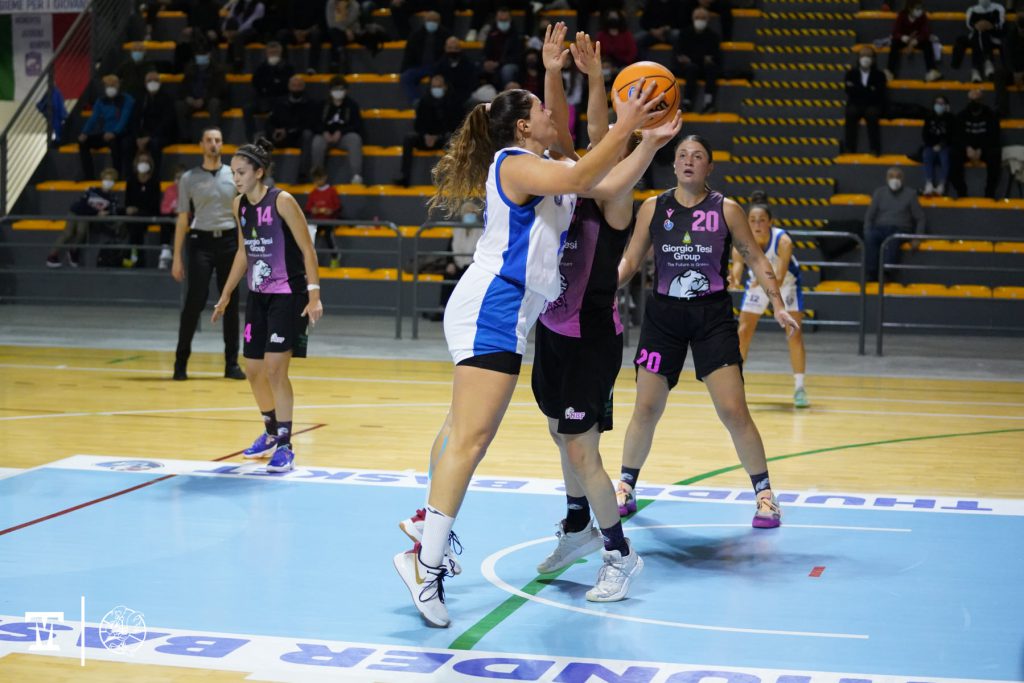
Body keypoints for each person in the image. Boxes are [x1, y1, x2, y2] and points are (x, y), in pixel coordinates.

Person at [392, 23, 664, 629]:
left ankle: (427, 527)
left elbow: (592, 169)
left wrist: (636, 135)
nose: (550, 113)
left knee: (459, 432)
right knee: (471, 440)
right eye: (541, 108)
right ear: (522, 127)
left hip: (506, 309)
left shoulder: (543, 162)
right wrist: (626, 123)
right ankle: (425, 563)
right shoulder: (515, 164)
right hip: (494, 303)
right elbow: (582, 175)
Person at [530, 31, 682, 601]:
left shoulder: (615, 195)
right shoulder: (567, 174)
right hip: (551, 328)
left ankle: (619, 554)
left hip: (591, 335)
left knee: (581, 448)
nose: (599, 143)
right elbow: (568, 136)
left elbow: (606, 144)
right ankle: (577, 527)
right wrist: (566, 74)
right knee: (558, 431)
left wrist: (649, 140)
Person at [613, 134, 800, 529]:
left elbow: (756, 259)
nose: (688, 161)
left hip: (711, 316)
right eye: (682, 155)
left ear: (709, 166)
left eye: (697, 156)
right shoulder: (653, 207)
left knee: (733, 410)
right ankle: (626, 485)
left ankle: (765, 496)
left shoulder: (727, 210)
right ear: (673, 164)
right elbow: (630, 260)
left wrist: (779, 305)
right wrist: (602, 289)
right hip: (663, 316)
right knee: (646, 407)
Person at [210, 137, 324, 473]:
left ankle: (286, 445)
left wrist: (314, 294)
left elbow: (308, 249)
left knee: (275, 369)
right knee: (253, 369)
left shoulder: (282, 201)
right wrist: (226, 293)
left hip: (288, 294)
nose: (236, 178)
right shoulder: (239, 205)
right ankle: (271, 431)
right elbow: (243, 252)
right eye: (233, 173)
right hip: (258, 295)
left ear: (259, 172)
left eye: (241, 172)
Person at [171, 127, 246, 381]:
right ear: (201, 145)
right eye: (209, 140)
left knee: (231, 301)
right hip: (200, 242)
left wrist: (244, 249)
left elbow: (242, 215)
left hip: (229, 241)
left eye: (218, 140)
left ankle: (231, 364)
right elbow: (183, 218)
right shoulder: (188, 178)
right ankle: (180, 363)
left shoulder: (234, 176)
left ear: (222, 144)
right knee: (195, 301)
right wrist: (177, 257)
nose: (213, 144)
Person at [731, 204, 809, 409]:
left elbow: (780, 277)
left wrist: (760, 281)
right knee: (743, 332)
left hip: (786, 284)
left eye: (762, 220)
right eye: (753, 220)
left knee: (793, 332)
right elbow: (737, 266)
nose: (757, 224)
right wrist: (734, 279)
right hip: (757, 283)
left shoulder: (783, 241)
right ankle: (735, 386)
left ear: (771, 222)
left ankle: (800, 388)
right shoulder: (741, 241)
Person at [394, 74, 461, 187]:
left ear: (445, 87)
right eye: (434, 86)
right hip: (425, 138)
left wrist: (437, 136)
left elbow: (455, 126)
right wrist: (425, 135)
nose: (436, 89)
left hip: (443, 139)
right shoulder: (424, 102)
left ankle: (452, 179)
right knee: (408, 139)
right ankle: (405, 177)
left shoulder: (452, 103)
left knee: (453, 140)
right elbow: (418, 125)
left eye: (439, 86)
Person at [46, 168, 119, 268]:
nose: (108, 182)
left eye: (111, 180)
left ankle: (73, 251)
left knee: (81, 232)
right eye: (106, 179)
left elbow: (111, 211)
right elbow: (84, 204)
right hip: (76, 211)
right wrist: (96, 212)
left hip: (86, 216)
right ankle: (52, 256)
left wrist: (105, 213)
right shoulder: (93, 190)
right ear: (102, 179)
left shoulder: (112, 198)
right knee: (68, 233)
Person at [863, 166, 926, 281]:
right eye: (891, 176)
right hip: (880, 228)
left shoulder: (911, 194)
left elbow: (920, 218)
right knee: (871, 237)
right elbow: (869, 216)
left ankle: (887, 273)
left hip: (901, 229)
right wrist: (867, 230)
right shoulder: (879, 193)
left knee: (893, 239)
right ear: (886, 178)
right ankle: (871, 273)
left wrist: (918, 238)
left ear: (903, 179)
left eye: (898, 176)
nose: (895, 179)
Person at [78, 74, 135, 180]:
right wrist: (84, 132)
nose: (110, 88)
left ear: (118, 85)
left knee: (115, 143)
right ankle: (89, 176)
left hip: (121, 133)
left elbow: (124, 119)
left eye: (113, 85)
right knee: (83, 142)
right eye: (108, 86)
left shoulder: (127, 100)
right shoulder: (101, 101)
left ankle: (116, 175)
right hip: (106, 133)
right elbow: (93, 118)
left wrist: (114, 132)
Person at [311, 76, 364, 185]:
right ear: (330, 90)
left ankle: (356, 175)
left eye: (341, 89)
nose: (338, 92)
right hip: (325, 136)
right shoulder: (322, 105)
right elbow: (314, 123)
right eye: (335, 89)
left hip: (343, 137)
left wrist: (341, 132)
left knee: (355, 139)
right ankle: (318, 176)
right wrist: (324, 132)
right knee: (317, 142)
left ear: (346, 90)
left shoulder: (352, 105)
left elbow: (357, 125)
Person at [267, 75, 321, 182]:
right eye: (293, 85)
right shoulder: (279, 102)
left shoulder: (310, 104)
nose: (296, 88)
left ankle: (303, 174)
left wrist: (287, 131)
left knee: (308, 134)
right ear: (289, 86)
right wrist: (274, 131)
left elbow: (310, 124)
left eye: (299, 86)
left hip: (298, 137)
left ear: (303, 87)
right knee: (261, 137)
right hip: (281, 137)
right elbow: (270, 121)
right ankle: (264, 174)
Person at [949, 88, 1001, 198]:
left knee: (995, 154)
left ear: (982, 101)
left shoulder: (991, 115)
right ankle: (961, 191)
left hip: (985, 148)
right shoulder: (961, 116)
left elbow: (994, 136)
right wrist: (967, 148)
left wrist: (981, 149)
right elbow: (957, 137)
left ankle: (990, 193)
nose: (973, 103)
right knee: (954, 154)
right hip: (967, 149)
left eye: (976, 100)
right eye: (971, 100)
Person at [674, 7, 721, 114]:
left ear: (708, 19)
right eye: (697, 17)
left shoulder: (713, 36)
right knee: (692, 68)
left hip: (705, 68)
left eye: (703, 18)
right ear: (692, 18)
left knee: (711, 69)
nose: (700, 20)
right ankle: (686, 102)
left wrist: (693, 58)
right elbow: (680, 55)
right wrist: (700, 58)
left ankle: (708, 103)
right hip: (688, 68)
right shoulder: (684, 33)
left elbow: (714, 57)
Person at [176, 42, 226, 142]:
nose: (200, 57)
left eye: (203, 54)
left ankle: (214, 137)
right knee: (179, 105)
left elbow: (219, 89)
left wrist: (204, 99)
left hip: (208, 100)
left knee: (214, 103)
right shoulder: (190, 68)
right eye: (198, 54)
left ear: (209, 54)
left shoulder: (217, 69)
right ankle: (185, 138)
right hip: (193, 100)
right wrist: (188, 98)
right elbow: (183, 87)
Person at [129, 71, 176, 177]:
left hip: (161, 135)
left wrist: (150, 137)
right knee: (127, 143)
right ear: (145, 83)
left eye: (155, 80)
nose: (152, 83)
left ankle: (155, 176)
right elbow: (134, 119)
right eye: (149, 80)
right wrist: (138, 137)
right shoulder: (141, 98)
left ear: (160, 83)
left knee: (154, 144)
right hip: (142, 135)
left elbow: (167, 122)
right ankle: (130, 176)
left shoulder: (167, 99)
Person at [245, 42, 294, 142]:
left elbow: (286, 85)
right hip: (264, 99)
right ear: (266, 53)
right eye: (271, 52)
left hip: (281, 98)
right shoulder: (261, 67)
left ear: (280, 53)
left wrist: (269, 84)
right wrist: (273, 83)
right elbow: (256, 83)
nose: (273, 54)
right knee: (247, 108)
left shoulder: (288, 67)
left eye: (275, 52)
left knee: (279, 107)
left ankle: (274, 136)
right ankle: (252, 136)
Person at [399, 11, 452, 104]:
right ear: (425, 21)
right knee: (406, 76)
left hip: (438, 67)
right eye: (429, 20)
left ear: (439, 22)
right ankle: (417, 102)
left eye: (434, 20)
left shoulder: (446, 35)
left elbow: (448, 54)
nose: (431, 23)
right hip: (419, 67)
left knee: (440, 81)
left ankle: (439, 104)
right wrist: (404, 69)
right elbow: (409, 54)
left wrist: (440, 67)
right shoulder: (416, 35)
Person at [843, 46, 886, 156]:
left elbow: (878, 93)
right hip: (855, 104)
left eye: (868, 56)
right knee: (850, 113)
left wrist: (859, 89)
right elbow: (849, 91)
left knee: (872, 114)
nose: (865, 58)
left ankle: (875, 149)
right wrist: (869, 90)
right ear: (858, 58)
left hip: (872, 105)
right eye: (863, 55)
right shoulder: (850, 74)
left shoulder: (880, 75)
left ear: (873, 59)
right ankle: (849, 148)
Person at [885, 0, 941, 82]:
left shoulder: (923, 17)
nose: (920, 11)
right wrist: (902, 37)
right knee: (894, 43)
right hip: (904, 40)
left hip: (917, 40)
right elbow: (895, 32)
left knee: (927, 44)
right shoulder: (902, 15)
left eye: (921, 9)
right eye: (917, 9)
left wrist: (917, 40)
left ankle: (932, 70)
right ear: (910, 9)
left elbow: (926, 33)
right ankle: (890, 71)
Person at [123, 151, 162, 268]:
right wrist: (130, 209)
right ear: (136, 163)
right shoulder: (131, 181)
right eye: (141, 161)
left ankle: (133, 253)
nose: (143, 163)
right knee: (134, 222)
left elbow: (154, 204)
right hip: (134, 215)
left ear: (150, 164)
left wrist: (138, 209)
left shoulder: (154, 181)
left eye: (146, 161)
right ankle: (138, 256)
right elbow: (127, 202)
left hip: (149, 213)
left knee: (136, 222)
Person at [952, 0, 1005, 82]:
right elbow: (969, 24)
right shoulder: (972, 9)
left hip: (993, 37)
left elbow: (1000, 23)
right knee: (978, 34)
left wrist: (990, 25)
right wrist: (978, 25)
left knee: (981, 34)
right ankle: (987, 62)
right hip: (976, 36)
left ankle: (976, 69)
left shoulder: (998, 8)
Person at [305, 166, 342, 268]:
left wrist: (331, 211)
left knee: (328, 235)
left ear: (325, 177)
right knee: (310, 236)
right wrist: (313, 210)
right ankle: (310, 260)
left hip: (329, 221)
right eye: (316, 180)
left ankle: (335, 257)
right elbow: (308, 208)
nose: (318, 182)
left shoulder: (332, 191)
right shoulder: (313, 193)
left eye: (319, 179)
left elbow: (337, 206)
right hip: (317, 221)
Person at [277, 3, 325, 74]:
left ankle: (312, 67)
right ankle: (284, 65)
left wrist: (306, 32)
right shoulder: (293, 3)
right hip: (295, 33)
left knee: (316, 34)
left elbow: (320, 21)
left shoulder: (318, 3)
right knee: (281, 34)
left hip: (309, 32)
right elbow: (288, 18)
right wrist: (294, 32)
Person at [482, 7, 524, 88]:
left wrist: (499, 63)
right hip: (493, 63)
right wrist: (486, 62)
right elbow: (485, 52)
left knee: (507, 70)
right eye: (501, 20)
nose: (503, 23)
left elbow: (517, 57)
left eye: (505, 20)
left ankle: (507, 92)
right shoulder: (491, 34)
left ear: (510, 20)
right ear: (496, 20)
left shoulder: (517, 36)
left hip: (509, 64)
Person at [920, 95, 954, 196]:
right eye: (937, 103)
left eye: (941, 103)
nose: (939, 105)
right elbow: (925, 134)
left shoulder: (951, 118)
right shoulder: (929, 117)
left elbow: (952, 135)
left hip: (945, 146)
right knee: (926, 155)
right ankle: (929, 183)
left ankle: (942, 185)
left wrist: (941, 144)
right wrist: (932, 145)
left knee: (945, 158)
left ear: (946, 105)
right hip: (931, 145)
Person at [158, 165, 186, 269]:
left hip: (185, 217)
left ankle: (180, 259)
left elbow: (192, 209)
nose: (179, 180)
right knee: (166, 221)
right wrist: (173, 210)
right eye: (177, 177)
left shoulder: (190, 190)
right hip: (171, 217)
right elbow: (164, 208)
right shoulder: (169, 190)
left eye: (182, 177)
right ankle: (165, 252)